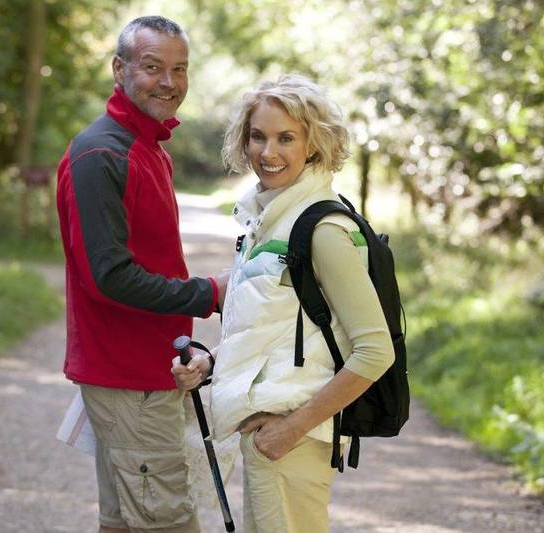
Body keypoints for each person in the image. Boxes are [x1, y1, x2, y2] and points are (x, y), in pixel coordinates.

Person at [172, 75, 395, 532]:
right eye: (258, 136)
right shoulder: (269, 222)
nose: (267, 152)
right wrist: (212, 363)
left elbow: (376, 350)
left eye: (285, 138)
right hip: (267, 440)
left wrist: (292, 428)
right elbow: (278, 333)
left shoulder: (323, 230)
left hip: (291, 442)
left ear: (314, 144)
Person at [56, 16, 226, 533]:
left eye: (179, 69)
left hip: (150, 370)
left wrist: (181, 342)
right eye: (152, 67)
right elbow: (108, 277)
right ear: (119, 68)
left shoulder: (148, 148)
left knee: (127, 523)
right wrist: (208, 293)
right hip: (129, 379)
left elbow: (147, 263)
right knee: (166, 521)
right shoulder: (102, 153)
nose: (169, 82)